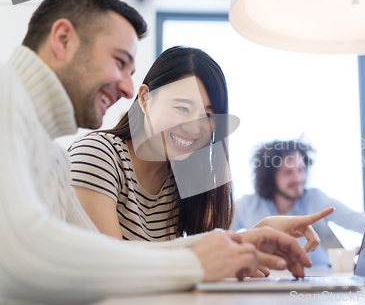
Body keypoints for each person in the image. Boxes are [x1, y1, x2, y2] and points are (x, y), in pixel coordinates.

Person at [0, 0, 314, 304]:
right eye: (119, 61)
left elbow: (102, 256)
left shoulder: (51, 153)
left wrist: (239, 244)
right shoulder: (6, 92)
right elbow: (24, 256)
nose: (125, 88)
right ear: (63, 39)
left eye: (207, 115)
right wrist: (197, 262)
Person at [69, 46, 331, 257]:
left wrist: (254, 239)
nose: (195, 128)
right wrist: (239, 242)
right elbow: (113, 268)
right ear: (145, 99)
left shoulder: (181, 176)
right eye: (182, 108)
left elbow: (193, 264)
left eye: (207, 114)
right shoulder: (96, 155)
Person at [231, 140, 365, 265]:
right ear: (270, 177)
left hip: (316, 284)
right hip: (266, 283)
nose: (298, 178)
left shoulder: (316, 200)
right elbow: (217, 237)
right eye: (288, 172)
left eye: (301, 169)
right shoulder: (247, 205)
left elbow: (359, 220)